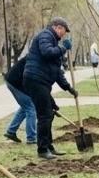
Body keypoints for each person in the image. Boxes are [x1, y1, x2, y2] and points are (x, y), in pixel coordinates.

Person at [23, 17, 79, 160]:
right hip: (36, 80)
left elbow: (57, 72)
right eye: (63, 31)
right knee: (45, 115)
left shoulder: (52, 41)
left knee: (49, 113)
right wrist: (63, 48)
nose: (63, 35)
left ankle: (49, 146)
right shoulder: (46, 35)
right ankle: (42, 149)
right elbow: (47, 52)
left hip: (41, 81)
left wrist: (68, 88)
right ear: (57, 27)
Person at [3, 55, 36, 144]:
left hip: (13, 80)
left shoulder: (37, 54)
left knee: (25, 107)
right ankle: (31, 138)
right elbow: (30, 78)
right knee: (31, 108)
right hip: (15, 82)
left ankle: (11, 131)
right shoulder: (35, 58)